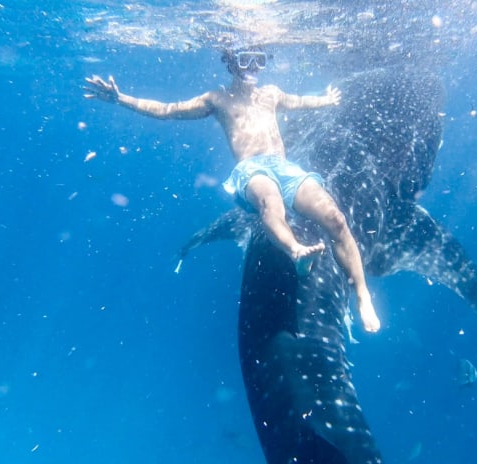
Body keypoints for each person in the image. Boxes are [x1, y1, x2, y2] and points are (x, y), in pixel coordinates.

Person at [84, 48, 380, 333]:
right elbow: (167, 110)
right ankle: (296, 250)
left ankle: (362, 294)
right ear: (230, 62)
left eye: (259, 60)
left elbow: (300, 100)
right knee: (270, 202)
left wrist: (326, 100)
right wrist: (121, 98)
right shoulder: (217, 99)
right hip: (252, 170)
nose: (253, 67)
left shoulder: (271, 93)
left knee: (336, 219)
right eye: (245, 59)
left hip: (285, 168)